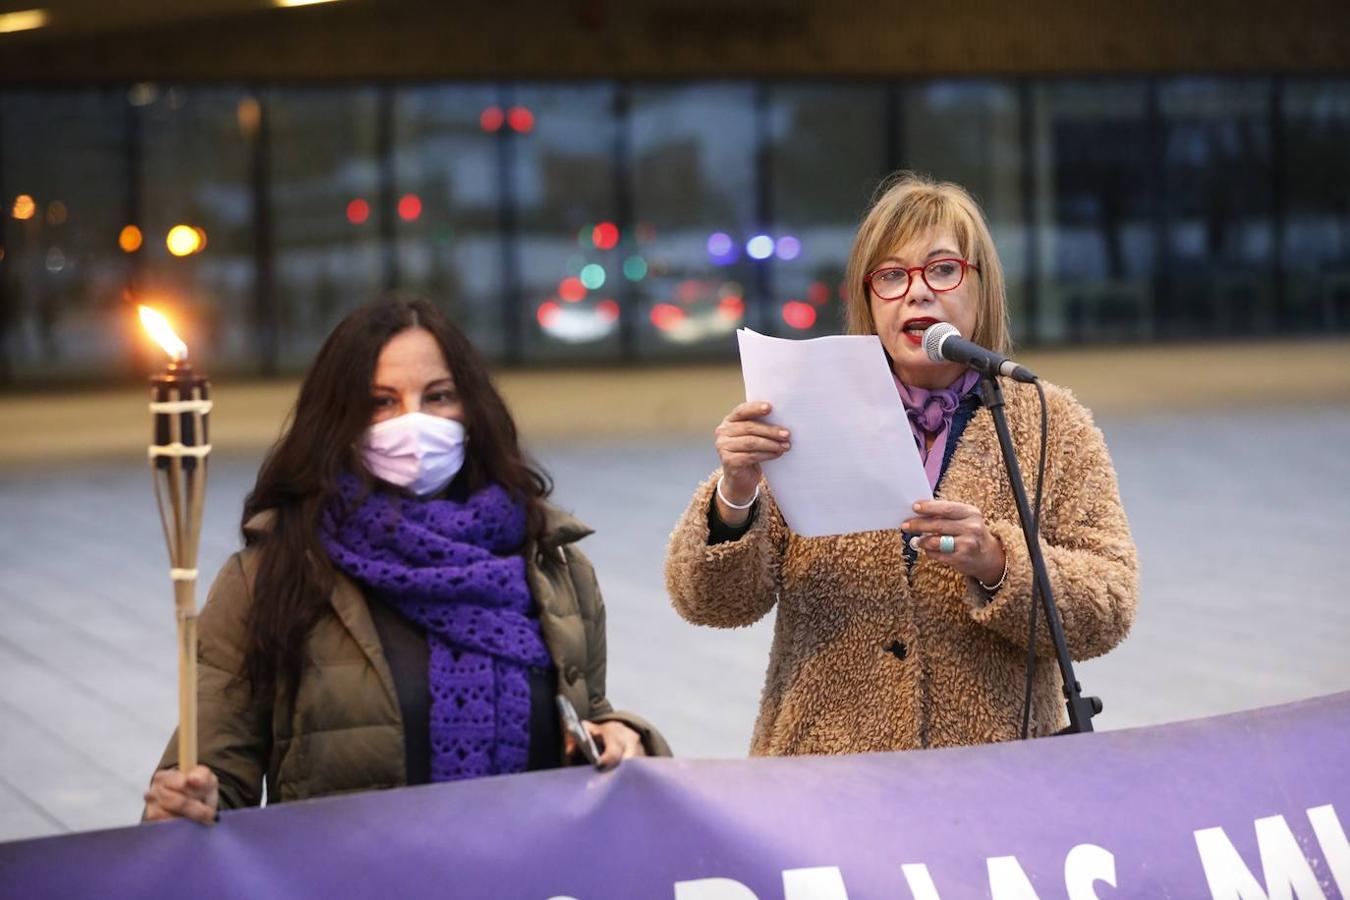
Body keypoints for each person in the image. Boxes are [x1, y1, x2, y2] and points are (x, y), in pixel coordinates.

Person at [145, 295, 667, 825]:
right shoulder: (272, 576)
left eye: (438, 396)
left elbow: (586, 718)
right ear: (337, 419)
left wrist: (625, 738)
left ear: (473, 408)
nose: (413, 423)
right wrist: (187, 803)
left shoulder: (551, 564)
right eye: (381, 402)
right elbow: (215, 768)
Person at [665, 172, 1138, 755]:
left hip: (993, 784)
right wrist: (736, 495)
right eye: (891, 276)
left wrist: (997, 562)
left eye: (942, 270)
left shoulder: (1048, 420)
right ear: (868, 298)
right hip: (822, 783)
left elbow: (1110, 605)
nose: (917, 293)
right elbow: (710, 602)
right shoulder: (804, 408)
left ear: (982, 287)